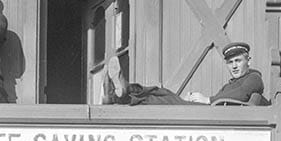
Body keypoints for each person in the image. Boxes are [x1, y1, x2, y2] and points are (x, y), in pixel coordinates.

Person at [102, 42, 268, 106]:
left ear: (249, 61)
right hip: (210, 115)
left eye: (238, 61)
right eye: (230, 62)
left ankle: (120, 94)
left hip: (211, 119)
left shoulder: (254, 78)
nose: (234, 66)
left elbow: (241, 93)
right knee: (160, 92)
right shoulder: (229, 84)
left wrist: (207, 99)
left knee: (159, 98)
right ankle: (122, 91)